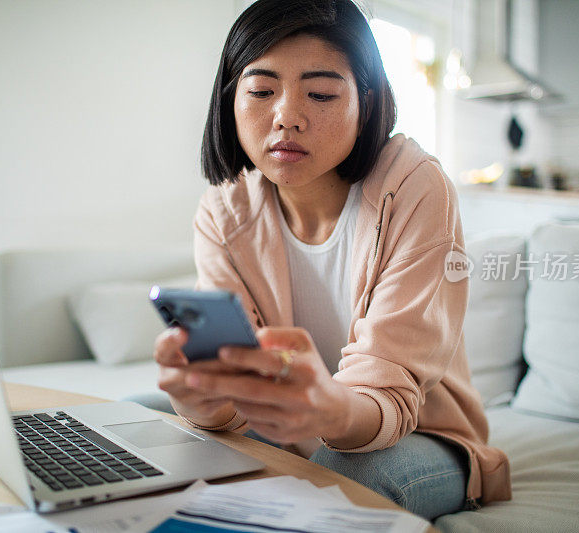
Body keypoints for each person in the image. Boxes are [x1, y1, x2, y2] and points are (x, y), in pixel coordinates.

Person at [150, 0, 511, 520]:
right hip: (285, 424)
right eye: (260, 90)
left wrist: (325, 406)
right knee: (145, 419)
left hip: (419, 434)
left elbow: (389, 392)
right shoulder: (225, 211)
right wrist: (203, 400)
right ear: (230, 99)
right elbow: (235, 391)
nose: (287, 117)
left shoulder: (413, 187)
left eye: (320, 93)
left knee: (338, 479)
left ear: (365, 102)